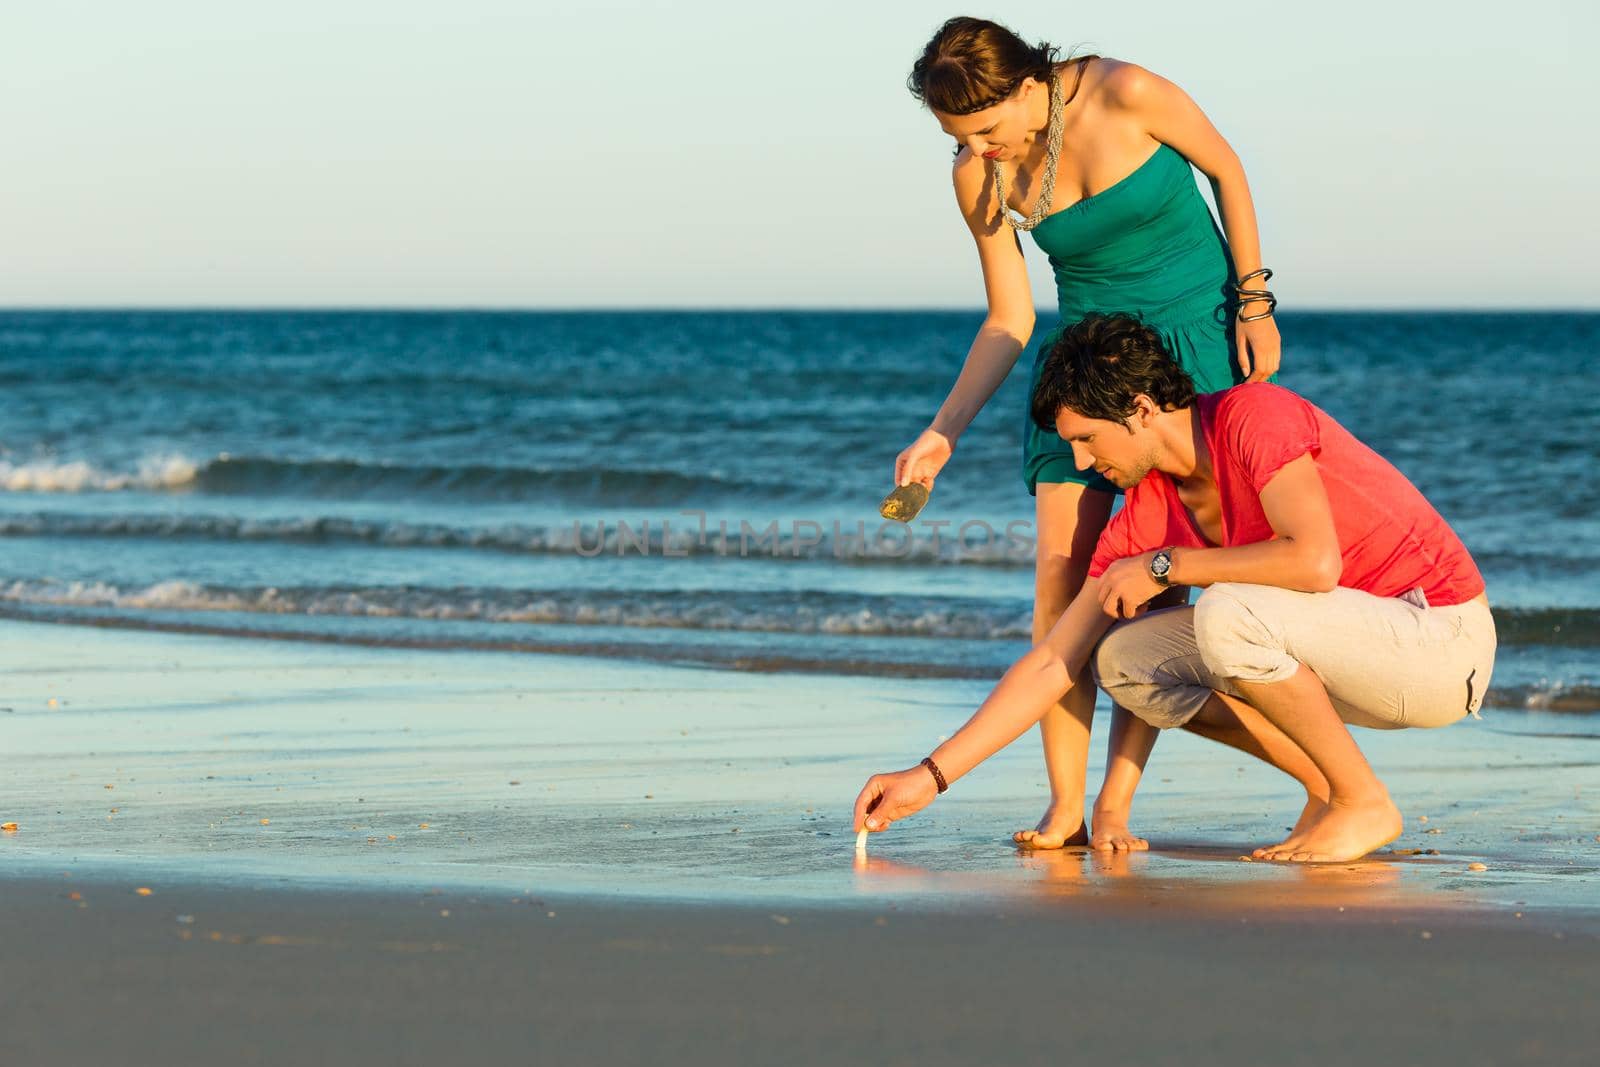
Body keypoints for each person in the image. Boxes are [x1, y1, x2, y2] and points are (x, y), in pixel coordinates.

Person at [854, 314, 1495, 863]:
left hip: (1439, 642)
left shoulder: (1252, 416)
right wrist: (930, 776)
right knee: (1124, 660)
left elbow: (1315, 562)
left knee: (1227, 613)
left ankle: (1364, 801)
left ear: (1138, 409)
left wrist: (1167, 567)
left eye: (1085, 439)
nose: (1081, 463)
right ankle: (1331, 789)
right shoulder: (1150, 507)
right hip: (1348, 655)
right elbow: (1054, 661)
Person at [892, 17, 1281, 850]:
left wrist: (1254, 299)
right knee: (1061, 584)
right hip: (1079, 377)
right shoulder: (978, 176)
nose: (978, 153)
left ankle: (1116, 803)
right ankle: (1065, 803)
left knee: (1156, 589)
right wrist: (942, 432)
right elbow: (1009, 317)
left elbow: (1227, 169)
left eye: (986, 131)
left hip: (1190, 356)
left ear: (1030, 87)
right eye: (958, 139)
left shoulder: (1127, 93)